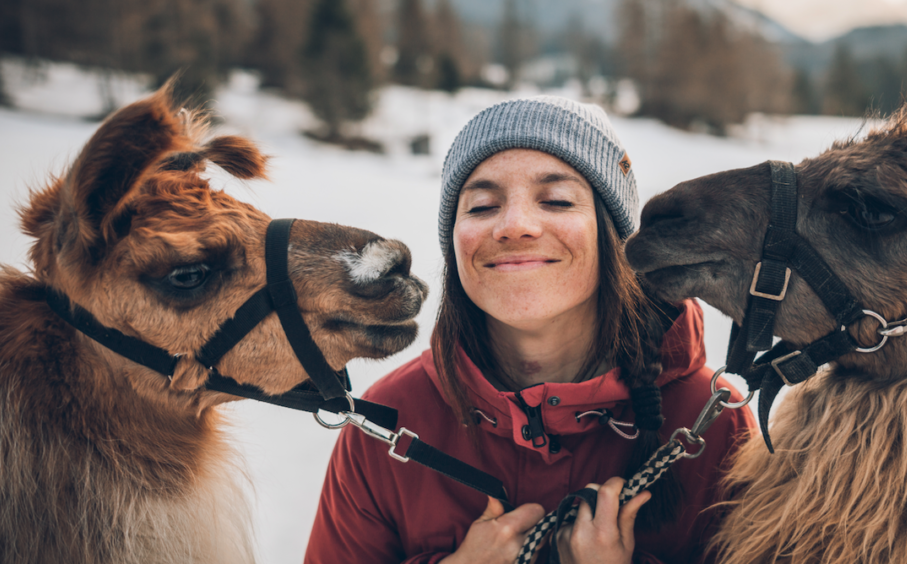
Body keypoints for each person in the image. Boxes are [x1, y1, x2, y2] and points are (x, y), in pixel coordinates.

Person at [304, 96, 755, 564]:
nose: (514, 225)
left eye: (557, 200)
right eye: (481, 207)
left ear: (614, 237)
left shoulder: (712, 423)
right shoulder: (387, 424)